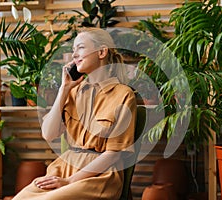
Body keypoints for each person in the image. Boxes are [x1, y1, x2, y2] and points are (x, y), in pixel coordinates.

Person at [12, 28, 137, 200]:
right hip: (64, 167)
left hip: (98, 176)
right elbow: (49, 133)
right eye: (73, 50)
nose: (74, 55)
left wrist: (70, 181)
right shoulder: (73, 92)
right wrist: (63, 89)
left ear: (101, 52)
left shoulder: (123, 94)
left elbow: (114, 153)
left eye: (80, 48)